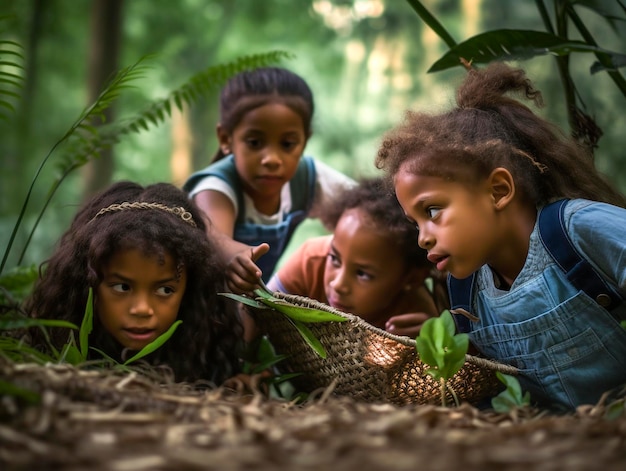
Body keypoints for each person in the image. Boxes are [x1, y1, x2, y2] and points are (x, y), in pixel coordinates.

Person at [375, 61, 626, 411]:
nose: (423, 238)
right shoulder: (467, 293)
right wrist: (439, 349)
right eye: (416, 223)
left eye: (432, 212)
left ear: (498, 190)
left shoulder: (578, 230)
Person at [24, 181, 242, 385]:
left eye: (165, 290)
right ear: (86, 282)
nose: (142, 309)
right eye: (122, 287)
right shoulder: (46, 360)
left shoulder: (206, 363)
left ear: (190, 290)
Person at [183, 66, 355, 294]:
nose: (272, 159)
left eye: (287, 144)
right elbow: (214, 235)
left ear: (304, 141)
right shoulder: (216, 188)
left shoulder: (307, 178)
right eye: (254, 143)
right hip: (205, 307)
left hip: (254, 304)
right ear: (226, 139)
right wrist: (236, 256)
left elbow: (365, 211)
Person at [267, 177, 448, 339]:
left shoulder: (416, 318)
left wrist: (424, 347)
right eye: (335, 259)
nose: (338, 284)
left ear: (412, 279)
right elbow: (258, 316)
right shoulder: (310, 261)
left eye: (362, 274)